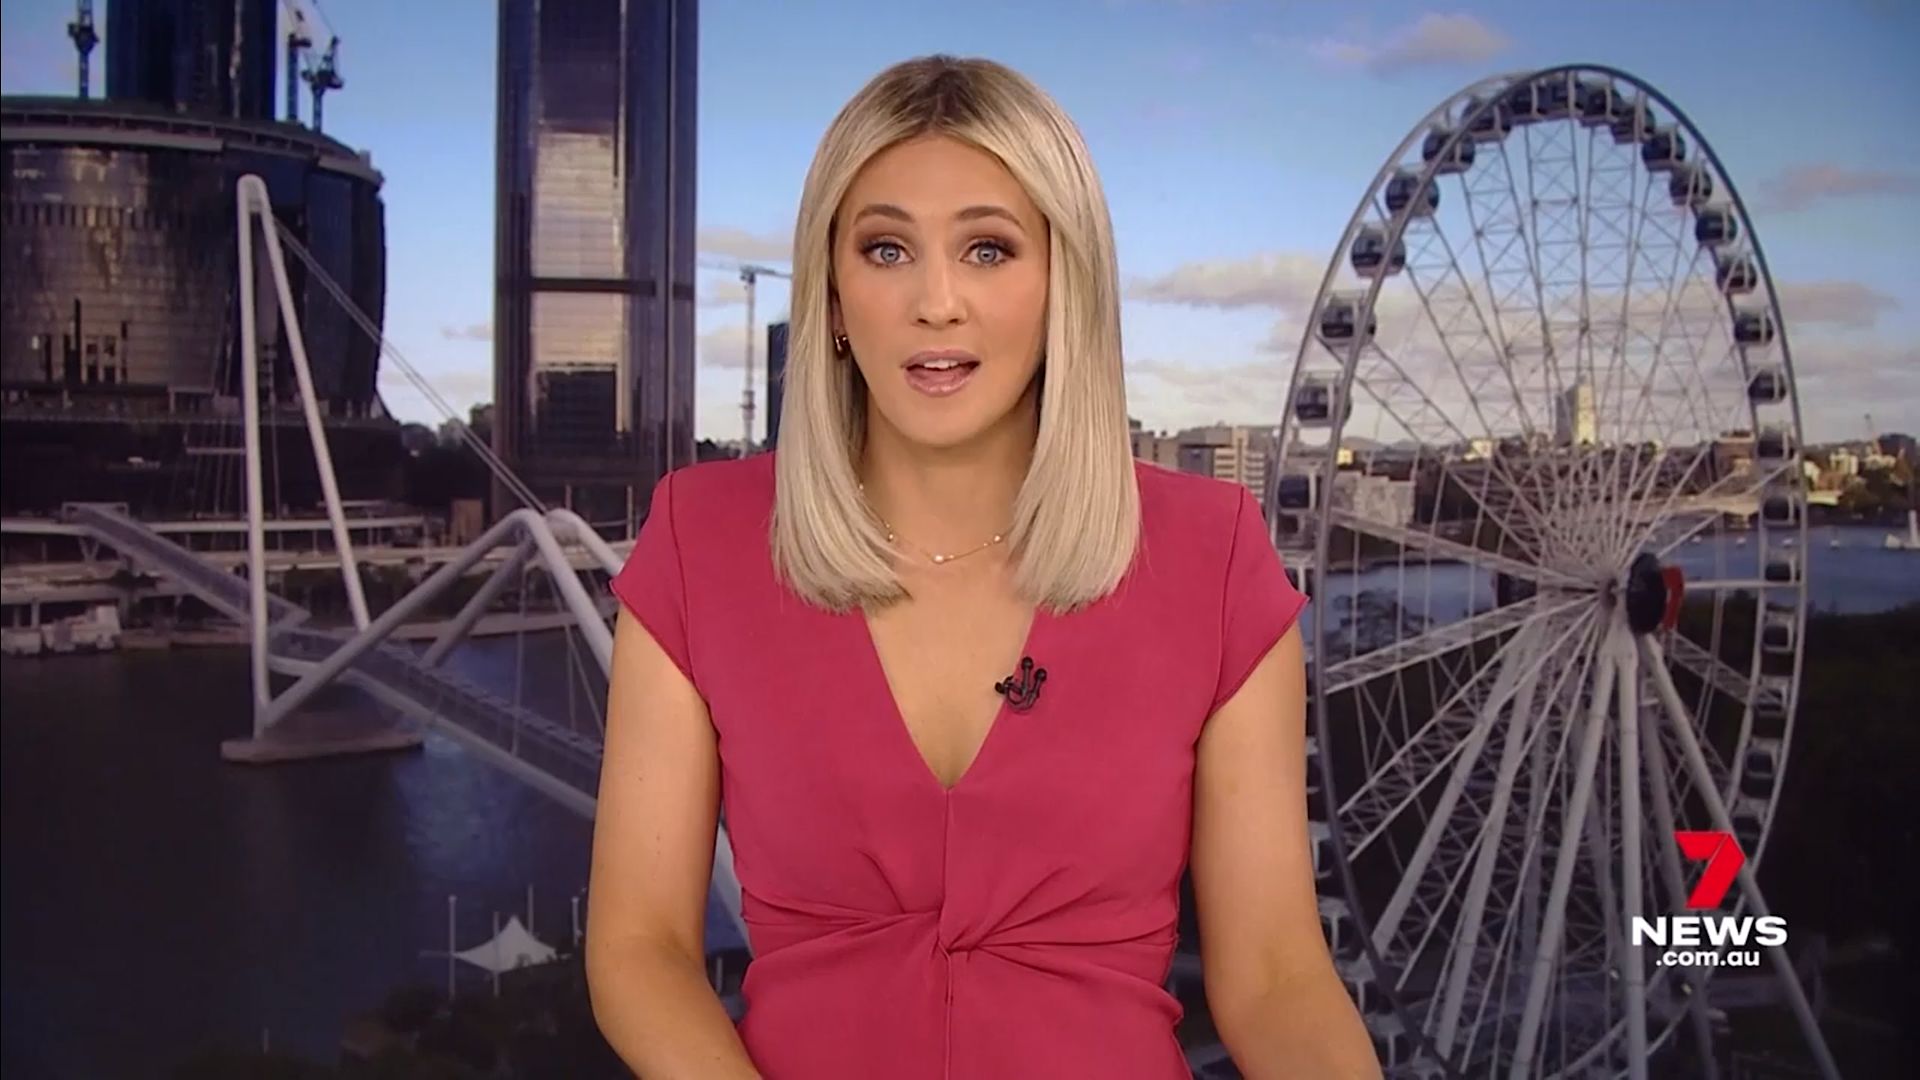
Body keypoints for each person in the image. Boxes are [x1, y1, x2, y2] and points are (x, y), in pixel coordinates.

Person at [584, 54, 1381, 1079]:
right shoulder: (699, 541)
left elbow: (1275, 977)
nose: (937, 301)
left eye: (989, 250)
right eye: (886, 249)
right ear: (833, 296)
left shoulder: (1214, 557)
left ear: (1063, 287)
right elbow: (639, 947)